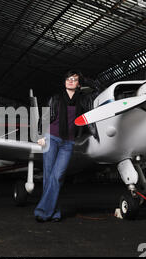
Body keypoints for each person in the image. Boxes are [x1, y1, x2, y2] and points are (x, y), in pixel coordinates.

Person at [34, 70, 96, 223]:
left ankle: (43, 211)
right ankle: (54, 213)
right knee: (49, 176)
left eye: (74, 79)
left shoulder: (83, 100)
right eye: (68, 79)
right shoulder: (55, 98)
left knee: (58, 176)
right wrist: (40, 136)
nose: (70, 81)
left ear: (78, 84)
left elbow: (99, 89)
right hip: (51, 138)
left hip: (68, 143)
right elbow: (45, 117)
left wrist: (85, 78)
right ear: (64, 82)